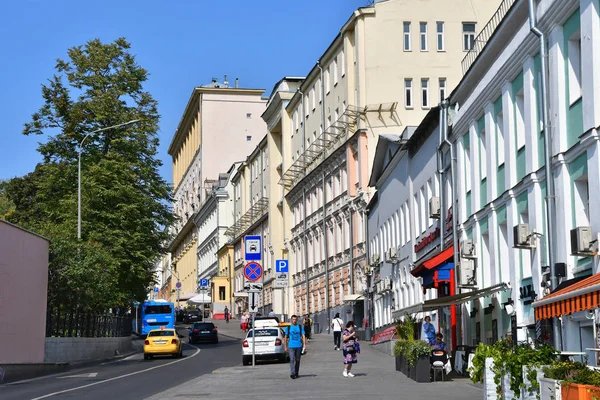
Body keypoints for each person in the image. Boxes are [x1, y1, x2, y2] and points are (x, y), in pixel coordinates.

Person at [284, 315, 306, 379]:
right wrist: (285, 346)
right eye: (293, 319)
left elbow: (303, 335)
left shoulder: (300, 327)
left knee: (297, 360)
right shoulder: (288, 327)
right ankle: (292, 373)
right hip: (291, 346)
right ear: (291, 320)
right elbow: (285, 337)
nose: (294, 321)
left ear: (297, 320)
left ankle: (296, 372)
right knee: (292, 359)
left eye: (295, 319)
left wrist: (304, 344)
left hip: (298, 345)